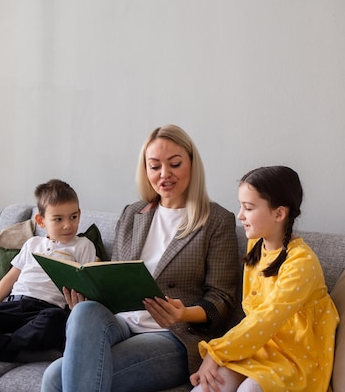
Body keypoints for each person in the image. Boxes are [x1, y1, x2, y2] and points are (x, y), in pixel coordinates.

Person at [41, 124, 240, 392]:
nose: (164, 174)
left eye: (175, 164)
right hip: (122, 322)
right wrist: (89, 295)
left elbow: (222, 300)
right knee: (85, 311)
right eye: (155, 166)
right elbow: (115, 281)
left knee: (55, 379)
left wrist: (182, 313)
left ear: (192, 164)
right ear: (145, 170)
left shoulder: (216, 220)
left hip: (173, 336)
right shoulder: (133, 214)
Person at [189, 166, 339, 392]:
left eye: (248, 208)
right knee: (210, 386)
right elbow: (256, 318)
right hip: (259, 348)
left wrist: (215, 352)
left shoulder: (301, 263)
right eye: (241, 206)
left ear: (279, 214)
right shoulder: (256, 246)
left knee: (250, 389)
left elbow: (267, 318)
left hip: (297, 358)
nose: (240, 215)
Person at [0, 179, 97, 362]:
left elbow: (86, 282)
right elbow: (9, 279)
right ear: (41, 221)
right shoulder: (32, 243)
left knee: (55, 319)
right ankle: (19, 350)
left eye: (73, 217)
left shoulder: (83, 246)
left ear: (79, 214)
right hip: (11, 307)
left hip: (45, 311)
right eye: (58, 219)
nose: (67, 225)